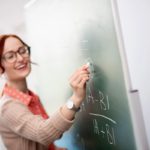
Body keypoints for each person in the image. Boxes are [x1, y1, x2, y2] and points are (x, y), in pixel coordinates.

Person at [0, 34, 90, 150]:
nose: (21, 58)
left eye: (22, 50)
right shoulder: (7, 107)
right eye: (10, 56)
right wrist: (76, 98)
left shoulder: (31, 97)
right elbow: (43, 133)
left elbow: (53, 136)